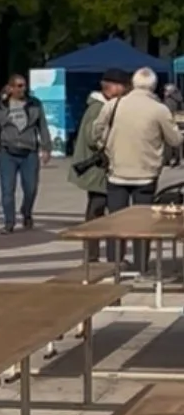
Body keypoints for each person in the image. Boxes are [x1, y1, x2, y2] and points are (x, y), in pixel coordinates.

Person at [92, 64, 182, 277]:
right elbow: (175, 139)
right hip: (146, 173)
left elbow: (96, 130)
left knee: (116, 221)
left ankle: (115, 263)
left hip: (117, 171)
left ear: (133, 83)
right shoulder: (159, 109)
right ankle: (141, 264)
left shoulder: (114, 105)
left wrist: (105, 144)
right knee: (143, 223)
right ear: (153, 86)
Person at [0, 73, 52, 232]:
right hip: (7, 153)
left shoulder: (34, 104)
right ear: (10, 88)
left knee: (31, 188)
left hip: (29, 152)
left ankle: (26, 212)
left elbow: (43, 127)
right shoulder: (1, 107)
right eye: (19, 86)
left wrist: (46, 148)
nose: (22, 89)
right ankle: (9, 222)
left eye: (24, 85)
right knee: (7, 190)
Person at [70, 70, 128, 225]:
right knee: (97, 206)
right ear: (110, 87)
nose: (125, 90)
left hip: (98, 167)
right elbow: (92, 137)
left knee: (98, 205)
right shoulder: (99, 108)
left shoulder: (102, 105)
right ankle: (92, 244)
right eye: (122, 86)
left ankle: (94, 242)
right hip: (96, 167)